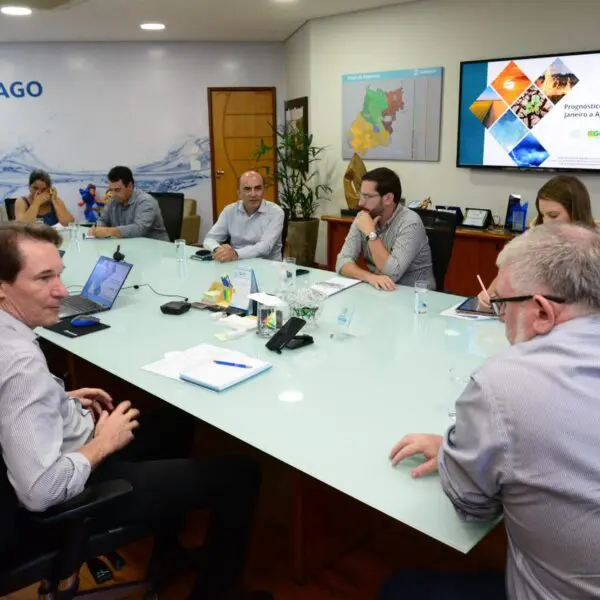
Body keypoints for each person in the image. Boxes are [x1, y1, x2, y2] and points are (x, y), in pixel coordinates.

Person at [0, 222, 272, 600]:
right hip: (72, 496)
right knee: (243, 473)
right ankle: (216, 593)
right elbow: (40, 491)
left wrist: (59, 399)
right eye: (43, 278)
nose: (61, 291)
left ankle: (167, 553)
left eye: (59, 274)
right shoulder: (20, 365)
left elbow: (14, 408)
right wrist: (103, 444)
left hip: (58, 446)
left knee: (177, 422)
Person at [382, 223, 600, 600]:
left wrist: (457, 448)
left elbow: (472, 506)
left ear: (543, 313)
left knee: (398, 587)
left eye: (502, 306)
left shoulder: (505, 383)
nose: (500, 318)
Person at [478, 174, 595, 307]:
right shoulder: (535, 242)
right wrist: (490, 296)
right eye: (542, 215)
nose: (546, 222)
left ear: (576, 213)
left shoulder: (592, 253)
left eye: (553, 215)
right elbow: (502, 280)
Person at [335, 167, 434, 291]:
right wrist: (370, 277)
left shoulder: (410, 222)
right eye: (361, 195)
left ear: (388, 198)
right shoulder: (363, 217)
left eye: (367, 196)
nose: (360, 202)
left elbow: (393, 274)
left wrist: (371, 233)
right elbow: (342, 262)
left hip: (416, 297)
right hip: (383, 292)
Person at [203, 171, 284, 262]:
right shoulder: (229, 211)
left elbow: (264, 248)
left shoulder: (276, 212)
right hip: (237, 265)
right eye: (247, 189)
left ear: (263, 190)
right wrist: (219, 250)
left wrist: (236, 253)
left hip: (268, 266)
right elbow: (209, 239)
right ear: (239, 193)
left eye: (258, 188)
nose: (253, 194)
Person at [91, 166, 169, 241]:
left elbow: (139, 229)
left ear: (130, 186)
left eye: (117, 190)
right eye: (111, 190)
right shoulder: (113, 200)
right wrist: (98, 229)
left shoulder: (146, 201)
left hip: (155, 248)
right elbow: (103, 220)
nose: (113, 194)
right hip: (128, 246)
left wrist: (110, 231)